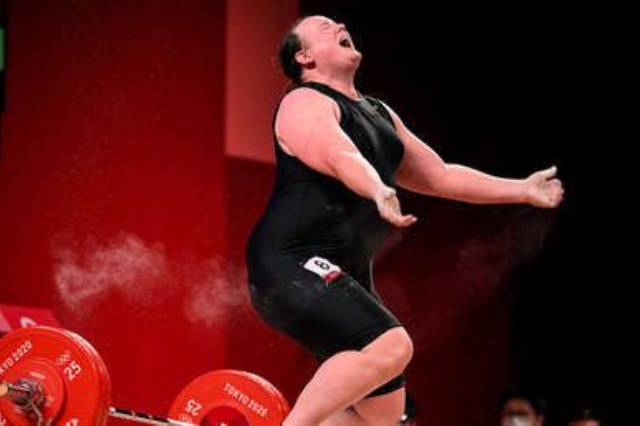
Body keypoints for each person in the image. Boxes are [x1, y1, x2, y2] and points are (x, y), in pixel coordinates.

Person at [245, 14, 565, 426]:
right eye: (324, 26)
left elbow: (440, 176)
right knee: (392, 345)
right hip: (290, 262)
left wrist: (521, 189)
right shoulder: (303, 101)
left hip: (344, 274)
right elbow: (338, 153)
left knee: (383, 415)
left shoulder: (379, 113)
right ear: (304, 57)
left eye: (338, 23)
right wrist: (376, 188)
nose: (339, 24)